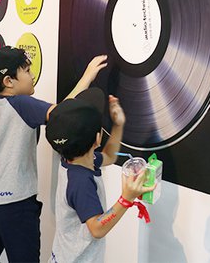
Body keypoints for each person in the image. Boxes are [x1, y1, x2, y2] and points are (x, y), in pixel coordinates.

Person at [0, 46, 108, 263]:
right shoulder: (21, 104)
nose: (32, 75)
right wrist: (87, 76)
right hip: (15, 204)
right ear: (9, 81)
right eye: (26, 70)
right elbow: (62, 114)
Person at [46, 87, 154, 263]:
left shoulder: (74, 158)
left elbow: (110, 156)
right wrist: (126, 199)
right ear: (98, 139)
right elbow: (97, 229)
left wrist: (118, 125)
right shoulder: (81, 181)